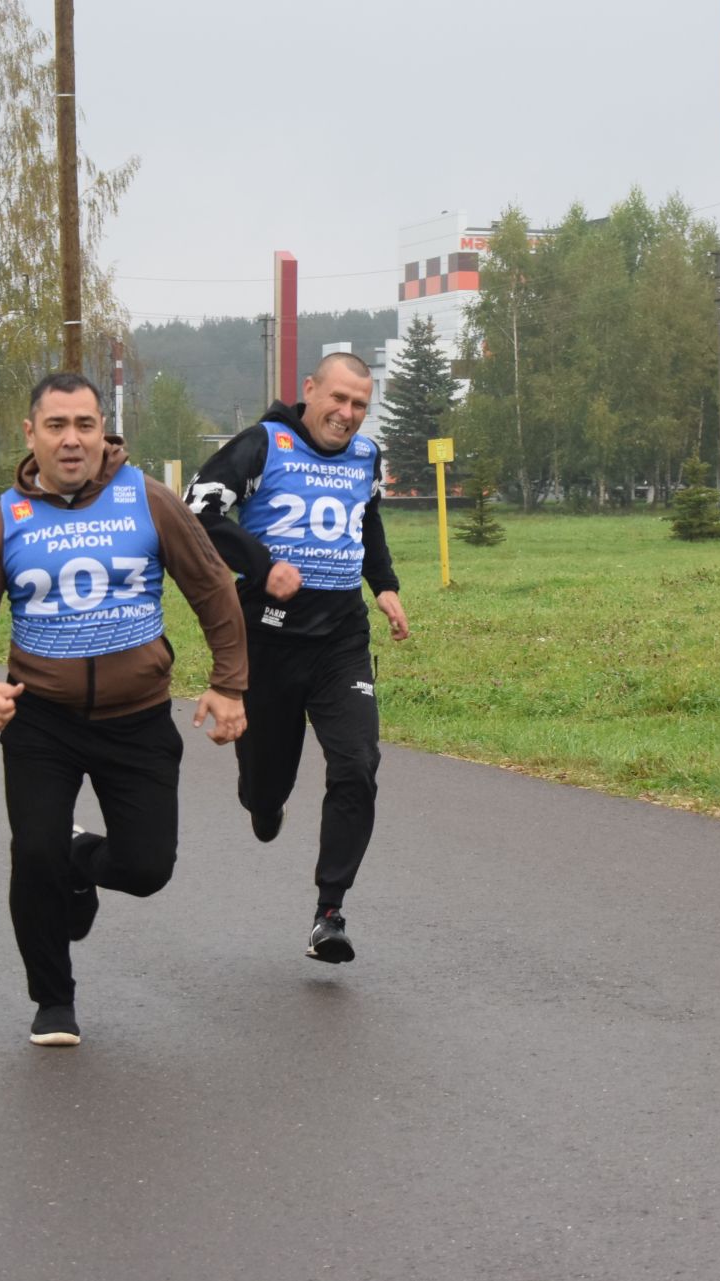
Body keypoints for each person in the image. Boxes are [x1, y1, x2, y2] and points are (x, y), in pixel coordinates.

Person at [0, 371, 249, 1048]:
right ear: (31, 434)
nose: (73, 439)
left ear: (104, 432)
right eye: (57, 425)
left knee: (147, 868)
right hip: (40, 719)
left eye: (86, 424)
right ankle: (53, 999)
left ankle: (85, 860)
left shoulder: (148, 500)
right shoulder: (4, 521)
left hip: (138, 716)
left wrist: (230, 684)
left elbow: (213, 589)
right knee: (34, 853)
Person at [187, 352, 408, 965]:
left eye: (360, 404)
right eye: (338, 399)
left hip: (341, 643)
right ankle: (262, 802)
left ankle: (329, 912)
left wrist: (383, 584)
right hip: (266, 641)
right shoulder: (265, 444)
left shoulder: (366, 457)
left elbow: (368, 521)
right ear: (309, 390)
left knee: (358, 764)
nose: (347, 414)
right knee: (266, 787)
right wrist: (260, 565)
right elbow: (198, 513)